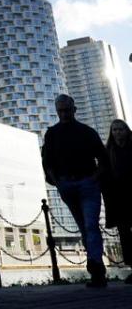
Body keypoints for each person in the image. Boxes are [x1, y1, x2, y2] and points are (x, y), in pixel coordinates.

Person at [42, 94, 108, 288]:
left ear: (74, 109)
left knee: (90, 225)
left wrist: (94, 178)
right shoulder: (52, 134)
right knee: (84, 226)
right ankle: (96, 267)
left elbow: (103, 159)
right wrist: (58, 183)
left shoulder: (87, 132)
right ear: (57, 111)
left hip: (88, 183)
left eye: (67, 110)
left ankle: (96, 267)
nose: (64, 114)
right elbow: (47, 163)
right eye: (60, 111)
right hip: (67, 185)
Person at [103, 118, 132, 283]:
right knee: (125, 236)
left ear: (127, 131)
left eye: (121, 129)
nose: (118, 132)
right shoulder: (109, 151)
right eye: (114, 130)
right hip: (119, 200)